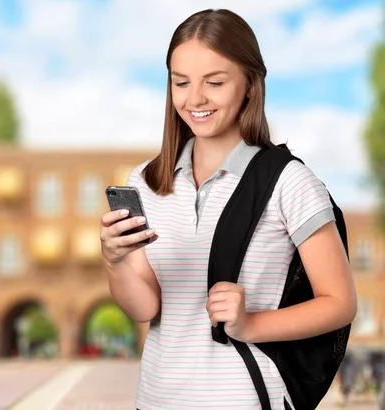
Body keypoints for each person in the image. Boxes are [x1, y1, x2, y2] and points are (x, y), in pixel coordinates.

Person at [99, 9, 357, 410]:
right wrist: (115, 261)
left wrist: (253, 323)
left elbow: (340, 303)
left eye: (214, 82)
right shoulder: (146, 182)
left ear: (250, 85)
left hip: (246, 399)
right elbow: (146, 307)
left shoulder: (288, 182)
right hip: (156, 397)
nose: (195, 98)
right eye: (180, 83)